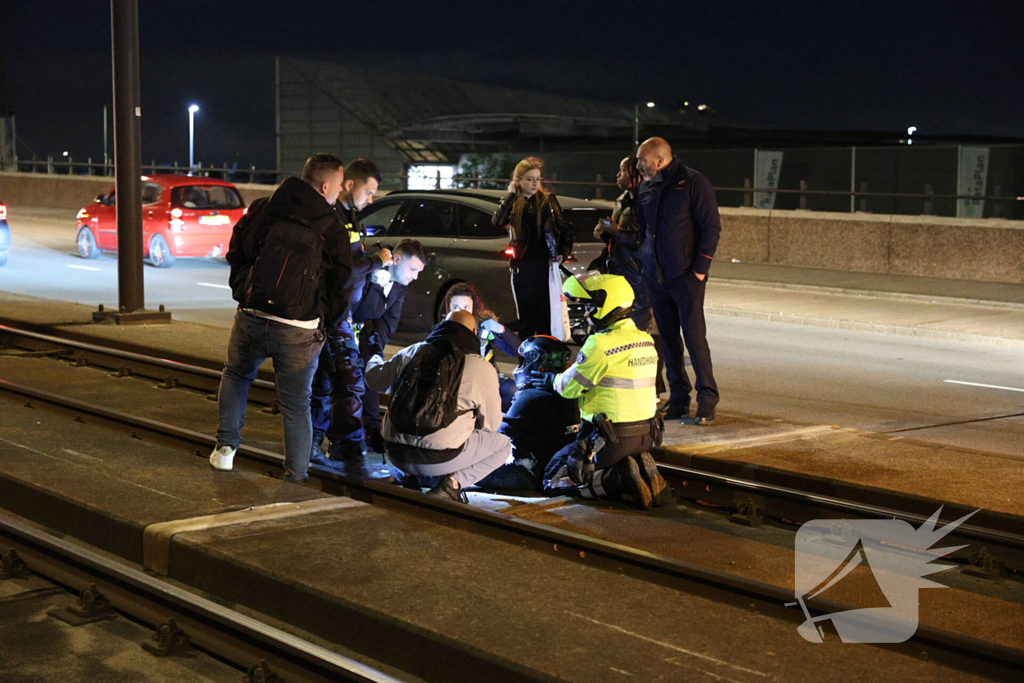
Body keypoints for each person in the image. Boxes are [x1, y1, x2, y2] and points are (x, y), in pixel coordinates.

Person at [212, 153, 352, 484]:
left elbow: (237, 251)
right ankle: (295, 476)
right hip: (299, 329)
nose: (338, 195)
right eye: (337, 187)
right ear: (324, 185)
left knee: (235, 375)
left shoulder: (264, 207)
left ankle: (225, 451)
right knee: (295, 404)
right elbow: (341, 284)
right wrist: (325, 324)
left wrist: (243, 291)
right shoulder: (331, 227)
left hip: (253, 313)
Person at [539, 273, 671, 510]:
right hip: (646, 436)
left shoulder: (600, 344)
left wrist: (550, 378)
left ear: (607, 305)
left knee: (554, 479)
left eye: (591, 306)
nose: (587, 313)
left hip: (609, 440)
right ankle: (639, 466)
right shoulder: (645, 340)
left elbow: (568, 388)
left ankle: (618, 479)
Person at [364, 310, 510, 503]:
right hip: (440, 459)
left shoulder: (413, 351)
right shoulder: (480, 366)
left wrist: (375, 354)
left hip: (395, 453)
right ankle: (452, 485)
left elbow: (374, 380)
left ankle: (411, 477)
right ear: (473, 332)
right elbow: (490, 425)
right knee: (503, 445)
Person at [309, 157, 393, 475]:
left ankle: (325, 443)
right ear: (349, 185)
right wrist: (376, 261)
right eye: (368, 192)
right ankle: (340, 446)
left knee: (332, 379)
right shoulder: (334, 219)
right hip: (334, 312)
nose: (370, 199)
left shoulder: (348, 215)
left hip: (344, 312)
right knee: (344, 379)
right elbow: (341, 267)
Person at [635, 137, 721, 425]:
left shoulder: (692, 182)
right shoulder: (645, 188)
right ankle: (679, 399)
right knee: (669, 342)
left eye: (642, 159)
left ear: (660, 160)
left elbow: (711, 227)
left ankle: (707, 399)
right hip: (655, 278)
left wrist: (699, 270)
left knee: (695, 339)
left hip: (686, 278)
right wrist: (643, 261)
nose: (638, 165)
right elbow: (643, 229)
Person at [592, 155, 666, 396]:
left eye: (622, 170)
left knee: (646, 334)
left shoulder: (647, 201)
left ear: (634, 174)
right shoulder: (622, 200)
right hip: (619, 274)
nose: (617, 175)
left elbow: (647, 241)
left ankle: (652, 388)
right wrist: (605, 232)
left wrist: (618, 231)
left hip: (640, 275)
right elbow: (619, 234)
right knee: (620, 332)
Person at [475, 336, 579, 491]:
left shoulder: (531, 397)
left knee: (457, 467)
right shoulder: (571, 396)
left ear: (537, 362)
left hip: (525, 474)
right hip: (550, 471)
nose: (521, 365)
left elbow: (498, 435)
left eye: (524, 361)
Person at [354, 238, 428, 454]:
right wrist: (377, 286)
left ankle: (373, 429)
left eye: (419, 272)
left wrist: (377, 353)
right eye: (412, 269)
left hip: (364, 334)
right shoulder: (371, 273)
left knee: (370, 372)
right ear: (395, 260)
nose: (415, 277)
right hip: (341, 328)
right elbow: (359, 310)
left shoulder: (398, 288)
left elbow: (387, 324)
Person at [491, 157, 572, 339]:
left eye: (538, 179)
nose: (535, 183)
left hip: (545, 265)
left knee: (546, 316)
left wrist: (563, 253)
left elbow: (565, 228)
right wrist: (511, 195)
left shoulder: (548, 201)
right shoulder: (512, 202)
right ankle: (526, 361)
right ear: (518, 181)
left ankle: (546, 361)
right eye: (529, 179)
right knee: (527, 318)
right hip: (523, 265)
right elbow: (498, 222)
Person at [443, 282, 519, 411]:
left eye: (466, 307)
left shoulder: (484, 326)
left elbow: (516, 350)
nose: (461, 312)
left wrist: (501, 330)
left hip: (489, 377)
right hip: (461, 381)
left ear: (474, 307)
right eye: (456, 307)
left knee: (512, 390)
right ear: (448, 308)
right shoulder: (444, 330)